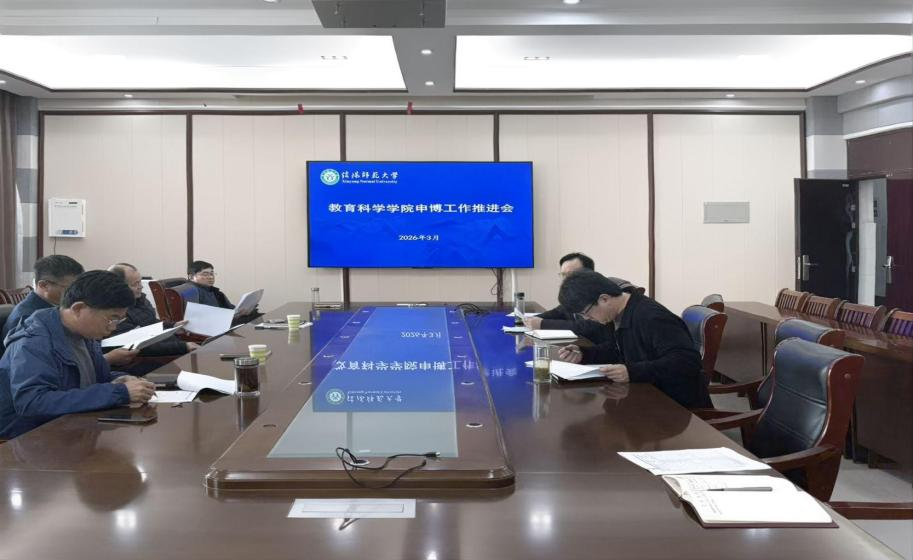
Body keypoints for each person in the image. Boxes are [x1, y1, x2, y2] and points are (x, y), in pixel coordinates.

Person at [0, 270, 156, 439]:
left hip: (70, 425)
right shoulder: (33, 342)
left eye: (119, 320)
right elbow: (32, 403)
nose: (113, 327)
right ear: (78, 309)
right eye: (111, 319)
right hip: (28, 437)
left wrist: (118, 380)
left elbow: (84, 378)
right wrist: (119, 393)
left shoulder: (84, 333)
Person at [556, 270, 710, 409]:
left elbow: (687, 361)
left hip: (675, 405)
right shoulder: (620, 313)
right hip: (646, 394)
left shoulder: (651, 317)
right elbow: (619, 349)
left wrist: (632, 371)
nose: (587, 319)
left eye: (586, 313)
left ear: (604, 299)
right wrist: (584, 354)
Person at [522, 252, 642, 345]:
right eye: (563, 275)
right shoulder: (575, 294)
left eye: (571, 274)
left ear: (588, 273)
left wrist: (543, 323)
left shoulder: (602, 293)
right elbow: (560, 311)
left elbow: (587, 326)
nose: (566, 280)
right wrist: (533, 320)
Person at [107, 263, 199, 356]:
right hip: (153, 356)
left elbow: (151, 322)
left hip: (169, 344)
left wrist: (173, 325)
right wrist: (183, 347)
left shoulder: (140, 299)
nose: (141, 287)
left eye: (140, 282)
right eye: (135, 284)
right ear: (119, 287)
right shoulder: (118, 312)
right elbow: (138, 347)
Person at [2, 255, 84, 342]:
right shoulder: (28, 320)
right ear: (44, 285)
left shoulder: (53, 306)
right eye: (70, 288)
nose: (76, 294)